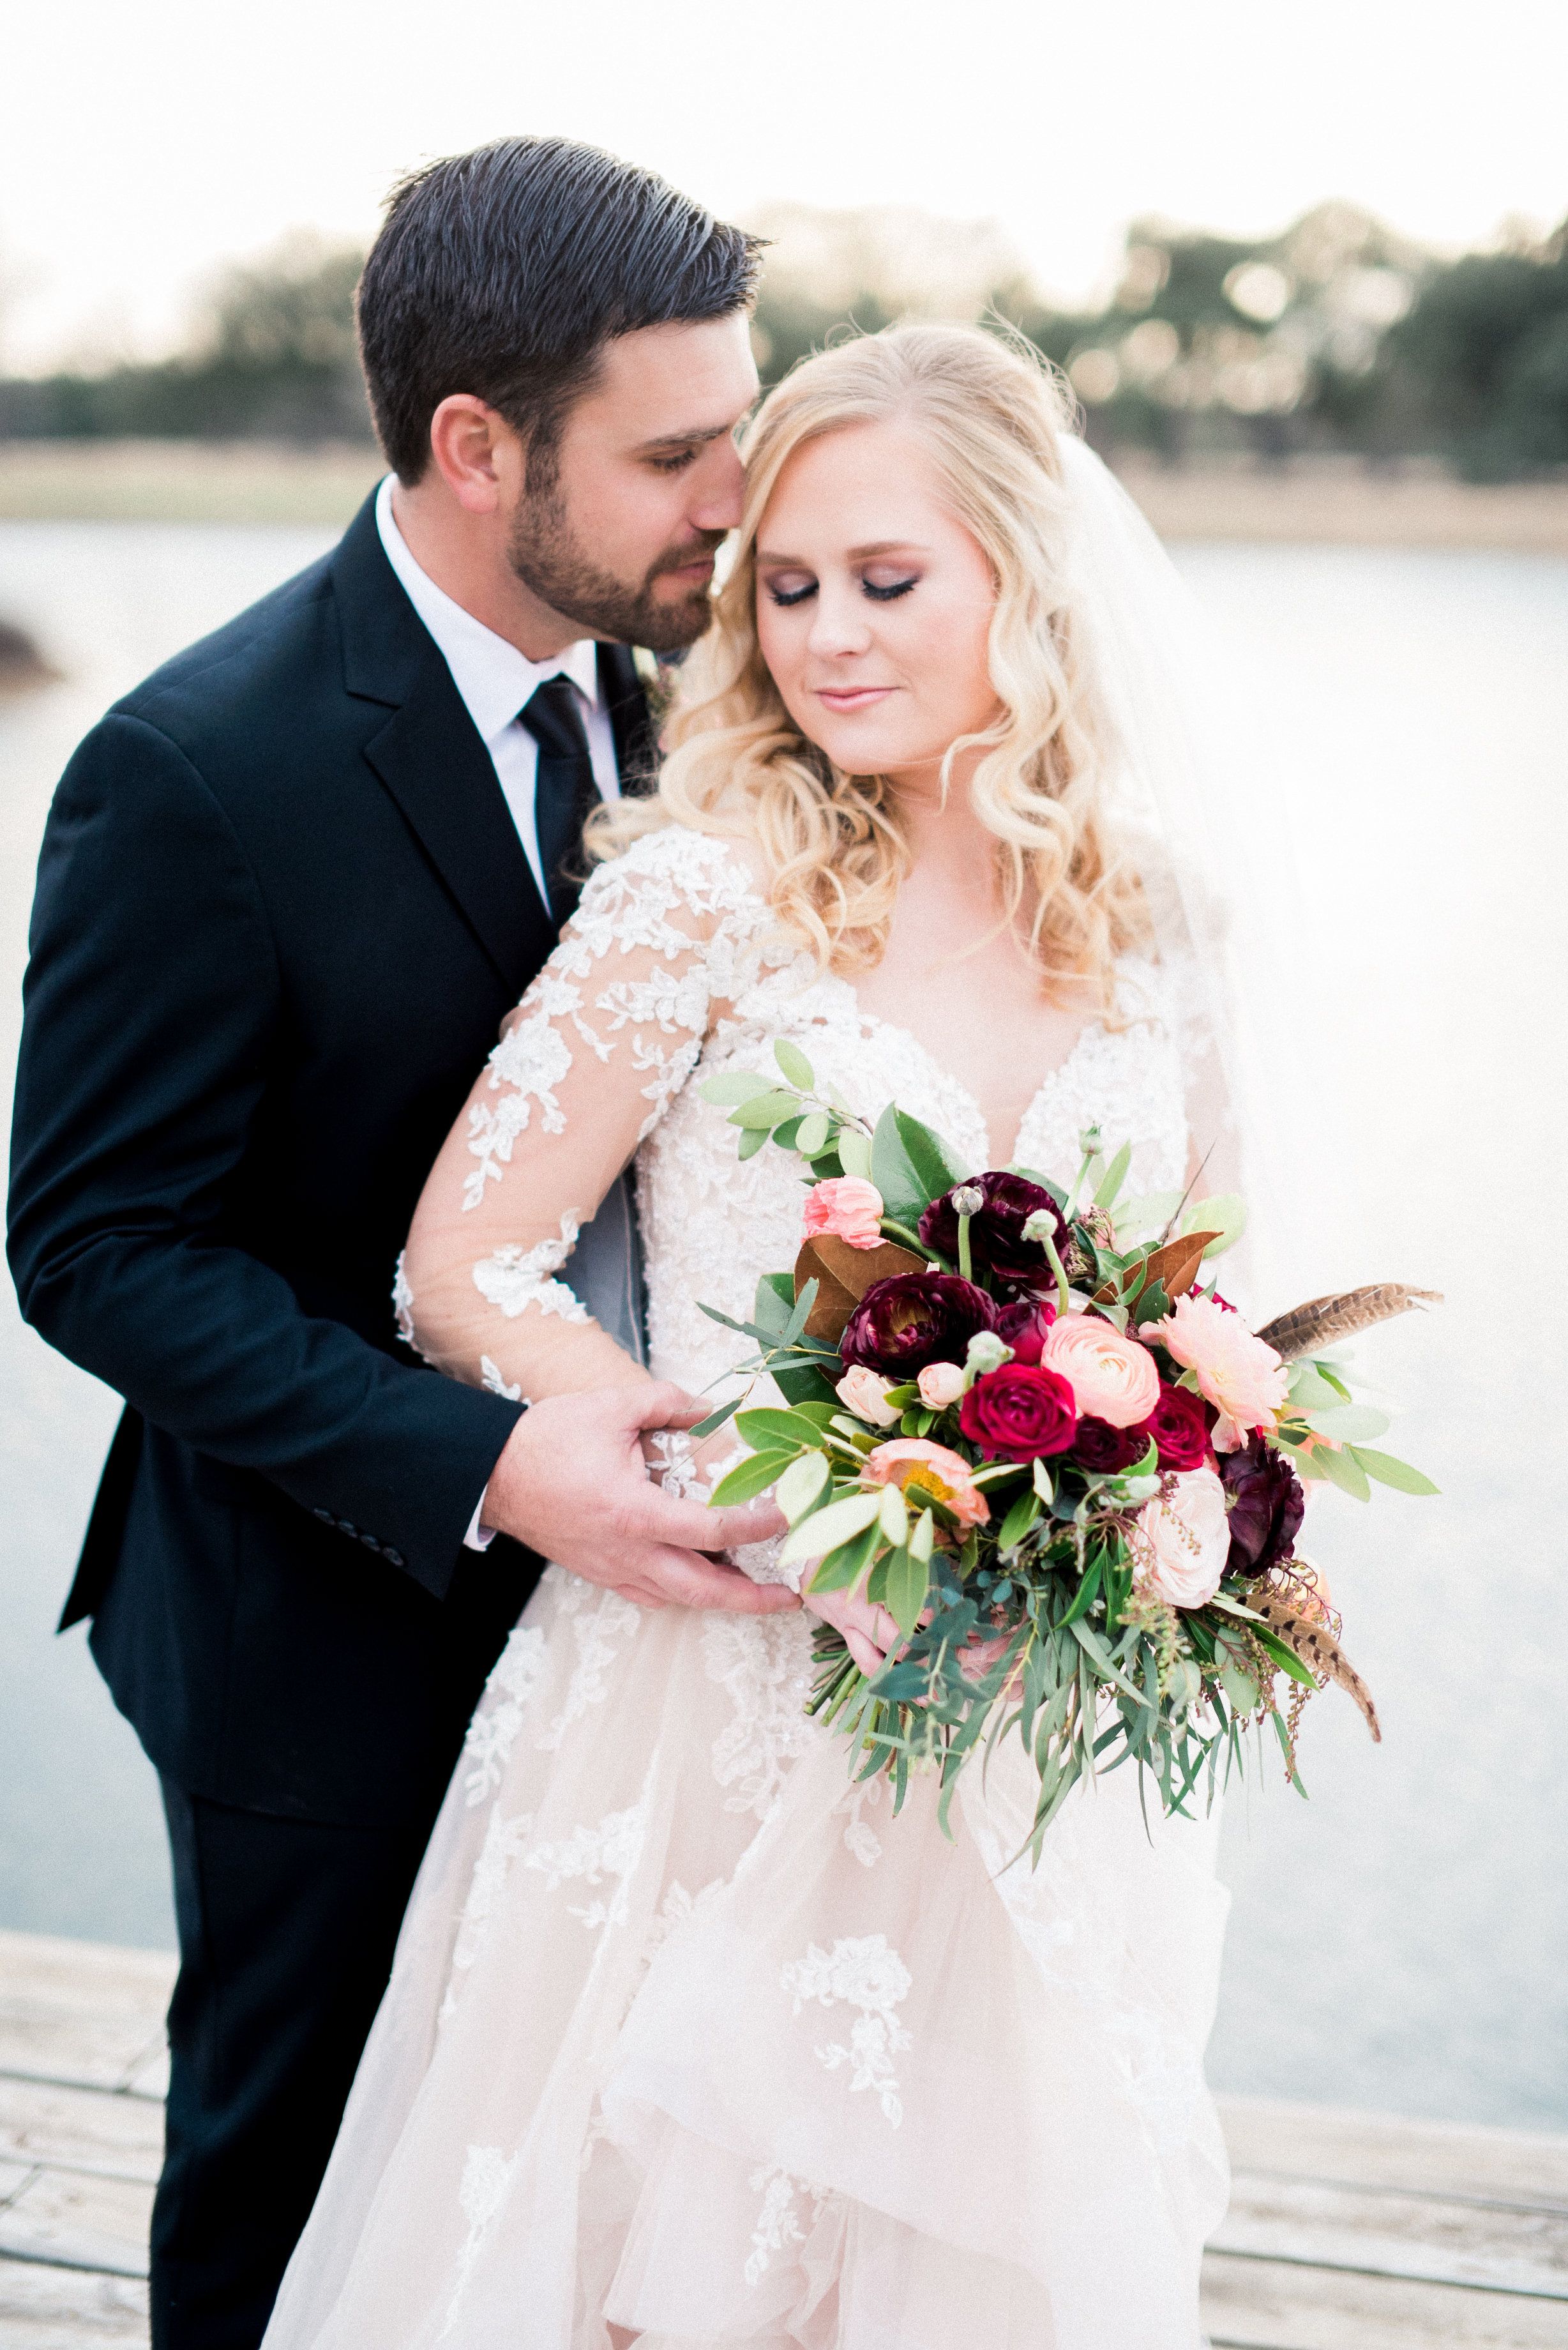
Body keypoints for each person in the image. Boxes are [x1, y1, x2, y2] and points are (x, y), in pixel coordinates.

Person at [262, 324, 1236, 2350]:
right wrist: (721, 1476)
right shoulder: (701, 897)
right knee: (640, 2280)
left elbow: (1192, 1309)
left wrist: (1150, 1494)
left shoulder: (1145, 924)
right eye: (785, 587)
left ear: (1023, 582)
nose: (826, 640)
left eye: (888, 582)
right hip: (703, 1693)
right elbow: (467, 1269)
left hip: (1013, 1727)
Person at [5, 136, 794, 2350]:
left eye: (735, 435)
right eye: (671, 455)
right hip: (313, 1631)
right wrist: (481, 1467)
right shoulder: (195, 766)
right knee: (298, 2192)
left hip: (659, 1641)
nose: (729, 503)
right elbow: (92, 1244)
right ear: (475, 448)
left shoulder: (712, 697)